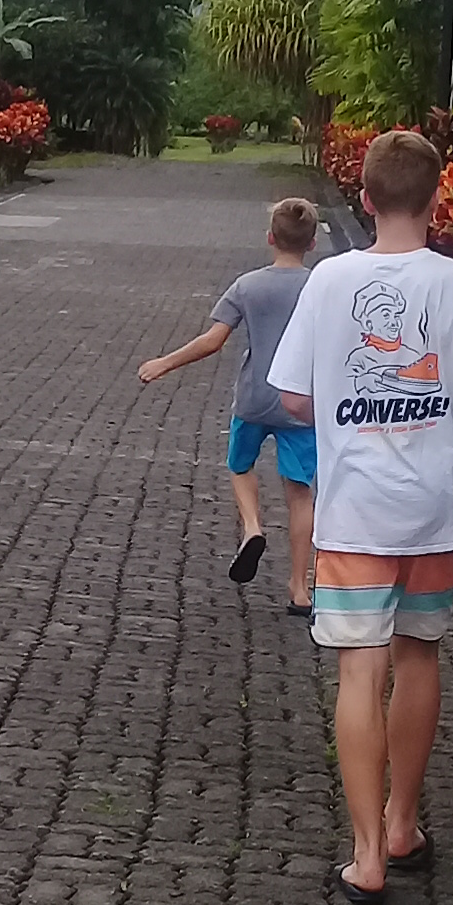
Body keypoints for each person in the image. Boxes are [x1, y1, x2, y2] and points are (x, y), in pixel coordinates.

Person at [267, 126, 453, 905]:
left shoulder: (329, 280)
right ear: (437, 200)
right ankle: (402, 826)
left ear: (365, 198)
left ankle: (365, 859)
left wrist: (346, 400)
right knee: (419, 657)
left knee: (360, 670)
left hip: (355, 512)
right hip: (433, 514)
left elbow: (292, 398)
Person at [138, 193, 323, 609]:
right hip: (302, 403)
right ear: (313, 243)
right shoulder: (322, 287)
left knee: (240, 466)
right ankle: (299, 588)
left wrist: (164, 363)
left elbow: (213, 341)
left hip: (254, 399)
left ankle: (252, 526)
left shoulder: (248, 285)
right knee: (300, 493)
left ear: (270, 237)